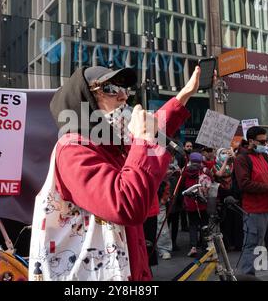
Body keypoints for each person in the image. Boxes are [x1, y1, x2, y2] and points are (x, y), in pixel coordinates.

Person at [29, 65, 202, 281]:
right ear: (86, 100)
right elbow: (126, 205)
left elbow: (157, 125)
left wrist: (184, 95)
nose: (123, 97)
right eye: (110, 88)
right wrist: (143, 139)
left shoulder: (112, 143)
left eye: (125, 89)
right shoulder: (73, 148)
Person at [234, 126, 268, 281]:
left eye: (266, 140)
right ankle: (248, 277)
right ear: (251, 141)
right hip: (254, 211)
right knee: (252, 247)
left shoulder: (264, 156)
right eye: (262, 141)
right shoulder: (241, 159)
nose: (266, 144)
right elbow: (244, 184)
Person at [183, 152, 212, 258]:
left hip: (190, 202)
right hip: (203, 202)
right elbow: (211, 183)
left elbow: (181, 185)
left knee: (192, 225)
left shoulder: (185, 171)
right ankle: (205, 247)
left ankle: (193, 247)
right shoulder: (205, 170)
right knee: (204, 224)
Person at [212, 148, 242, 251]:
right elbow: (219, 174)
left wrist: (232, 155)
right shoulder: (215, 165)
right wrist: (225, 161)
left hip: (233, 195)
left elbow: (239, 165)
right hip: (222, 195)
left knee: (236, 220)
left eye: (226, 153)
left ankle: (237, 243)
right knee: (225, 221)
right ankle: (227, 244)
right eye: (223, 153)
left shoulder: (233, 164)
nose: (225, 154)